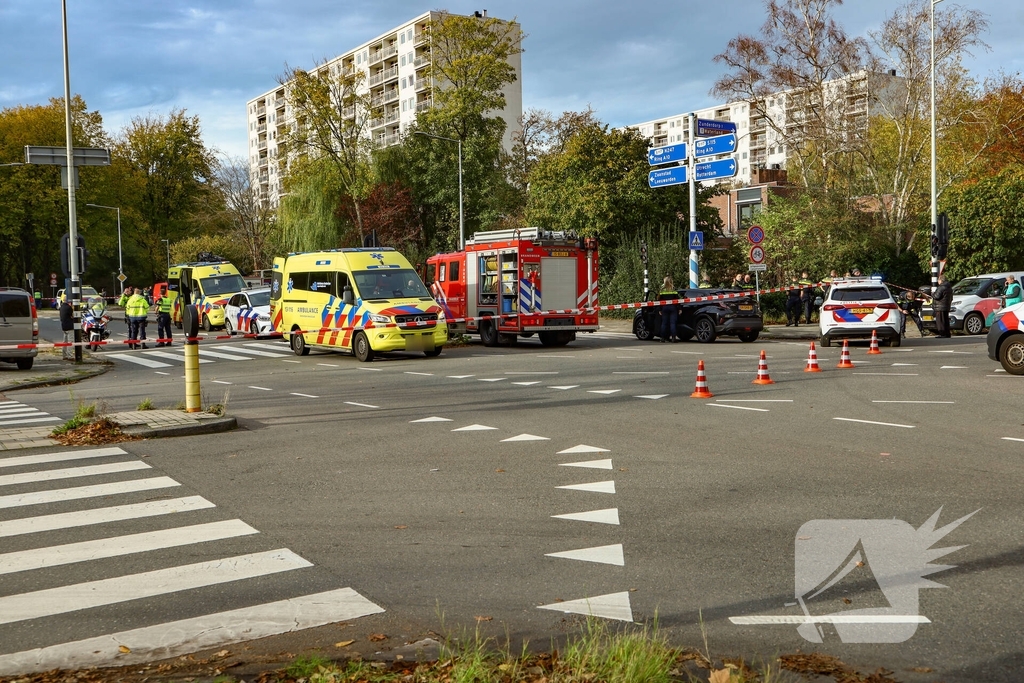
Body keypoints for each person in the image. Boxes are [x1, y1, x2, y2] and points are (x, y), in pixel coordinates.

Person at [658, 275, 679, 342]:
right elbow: (677, 299)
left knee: (664, 323)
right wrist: (679, 308)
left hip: (664, 307)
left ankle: (662, 338)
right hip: (673, 307)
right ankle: (673, 338)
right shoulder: (673, 289)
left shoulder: (662, 289)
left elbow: (659, 300)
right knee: (672, 323)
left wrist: (660, 309)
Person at [58, 295, 74, 360]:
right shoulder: (69, 308)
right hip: (70, 326)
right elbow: (72, 316)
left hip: (64, 326)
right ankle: (70, 356)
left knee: (65, 342)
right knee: (70, 341)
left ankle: (64, 355)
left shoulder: (61, 307)